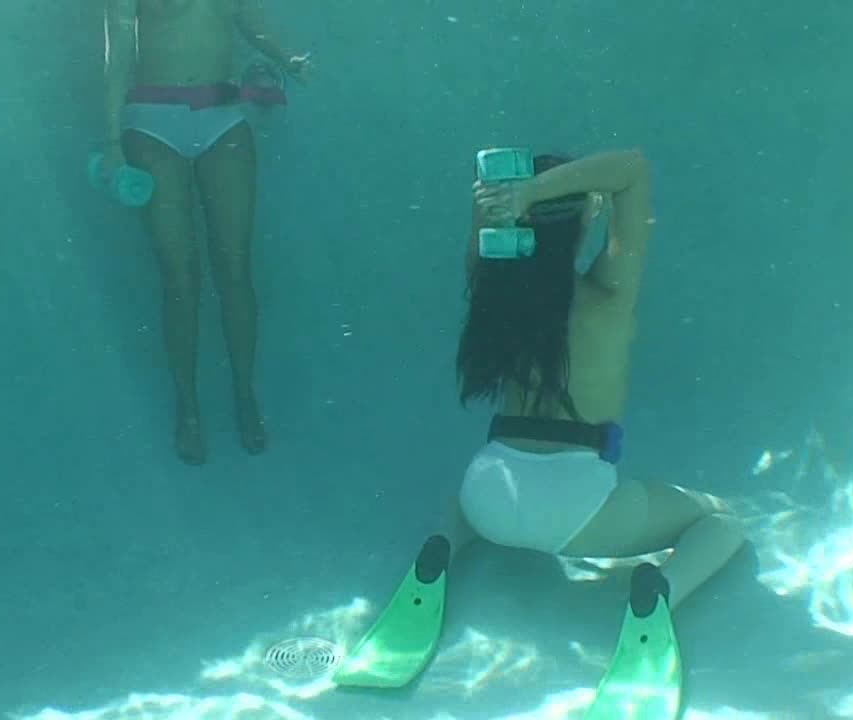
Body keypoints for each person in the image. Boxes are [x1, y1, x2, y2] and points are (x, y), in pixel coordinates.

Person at [332, 150, 746, 716]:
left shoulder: (495, 286)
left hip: (488, 493)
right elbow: (631, 168)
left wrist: (501, 205)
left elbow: (487, 229)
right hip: (576, 508)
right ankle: (659, 598)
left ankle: (442, 548)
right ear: (585, 216)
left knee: (471, 498)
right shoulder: (608, 297)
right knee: (720, 520)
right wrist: (537, 192)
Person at [102, 0, 311, 464]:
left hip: (223, 115)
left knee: (235, 273)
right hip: (151, 121)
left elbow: (248, 19)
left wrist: (286, 59)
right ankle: (189, 408)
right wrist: (112, 141)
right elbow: (118, 52)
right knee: (179, 279)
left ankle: (244, 395)